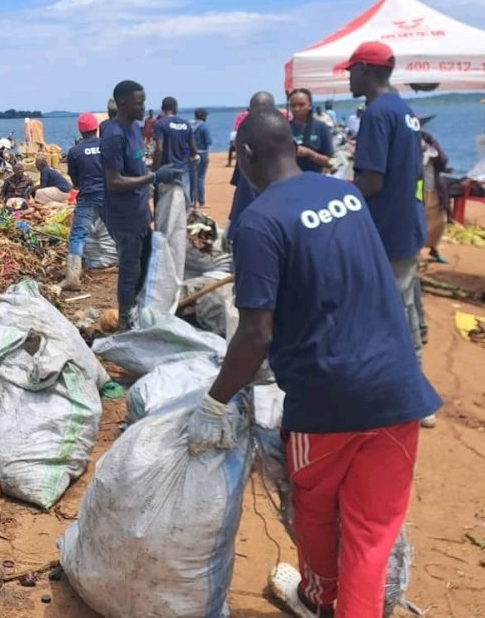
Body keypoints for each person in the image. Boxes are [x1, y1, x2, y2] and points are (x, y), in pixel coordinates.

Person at [187, 108, 440, 618]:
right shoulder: (344, 194)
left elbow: (257, 333)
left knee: (317, 518)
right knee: (370, 537)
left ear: (250, 155)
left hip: (326, 404)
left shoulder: (258, 222)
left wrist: (215, 401)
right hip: (398, 392)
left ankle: (320, 601)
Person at [339, 41, 430, 389]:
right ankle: (412, 384)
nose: (348, 78)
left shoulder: (376, 113)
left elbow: (372, 181)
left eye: (351, 70)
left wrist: (339, 191)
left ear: (364, 70)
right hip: (406, 223)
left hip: (387, 229)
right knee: (403, 307)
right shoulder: (404, 109)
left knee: (387, 313)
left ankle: (405, 390)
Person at [100, 80, 181, 328]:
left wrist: (153, 175)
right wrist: (153, 177)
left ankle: (139, 307)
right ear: (123, 103)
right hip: (123, 216)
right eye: (139, 103)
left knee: (145, 262)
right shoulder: (114, 136)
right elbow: (114, 182)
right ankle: (127, 320)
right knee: (129, 269)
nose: (144, 107)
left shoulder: (135, 128)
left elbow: (136, 166)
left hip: (140, 211)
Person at [61, 112, 105, 290]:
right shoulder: (107, 145)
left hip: (87, 196)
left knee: (78, 235)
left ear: (80, 131)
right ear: (96, 128)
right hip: (109, 195)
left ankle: (73, 277)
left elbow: (75, 180)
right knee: (119, 232)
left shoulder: (75, 151)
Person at [228, 91, 277, 232]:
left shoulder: (280, 143)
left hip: (266, 220)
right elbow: (239, 188)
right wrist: (231, 221)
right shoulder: (244, 142)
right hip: (244, 216)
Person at [153, 96, 197, 204]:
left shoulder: (160, 124)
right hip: (182, 169)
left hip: (165, 170)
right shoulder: (185, 124)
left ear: (162, 109)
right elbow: (193, 147)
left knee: (162, 204)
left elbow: (159, 149)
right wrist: (192, 156)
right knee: (184, 203)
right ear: (175, 108)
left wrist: (154, 168)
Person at [287, 88, 335, 173]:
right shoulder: (285, 128)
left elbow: (333, 162)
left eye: (301, 105)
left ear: (310, 105)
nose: (297, 109)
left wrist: (310, 154)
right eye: (293, 105)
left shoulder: (321, 127)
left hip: (315, 178)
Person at [421, 130, 449, 263]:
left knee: (440, 221)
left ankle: (434, 248)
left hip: (435, 191)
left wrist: (433, 144)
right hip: (419, 192)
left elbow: (444, 161)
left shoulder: (435, 154)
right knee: (419, 223)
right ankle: (415, 252)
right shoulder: (414, 152)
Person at [190, 108, 212, 207]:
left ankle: (190, 200)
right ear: (203, 116)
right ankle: (201, 201)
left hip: (191, 153)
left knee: (191, 177)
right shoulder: (204, 126)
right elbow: (208, 141)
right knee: (200, 177)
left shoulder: (189, 125)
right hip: (202, 153)